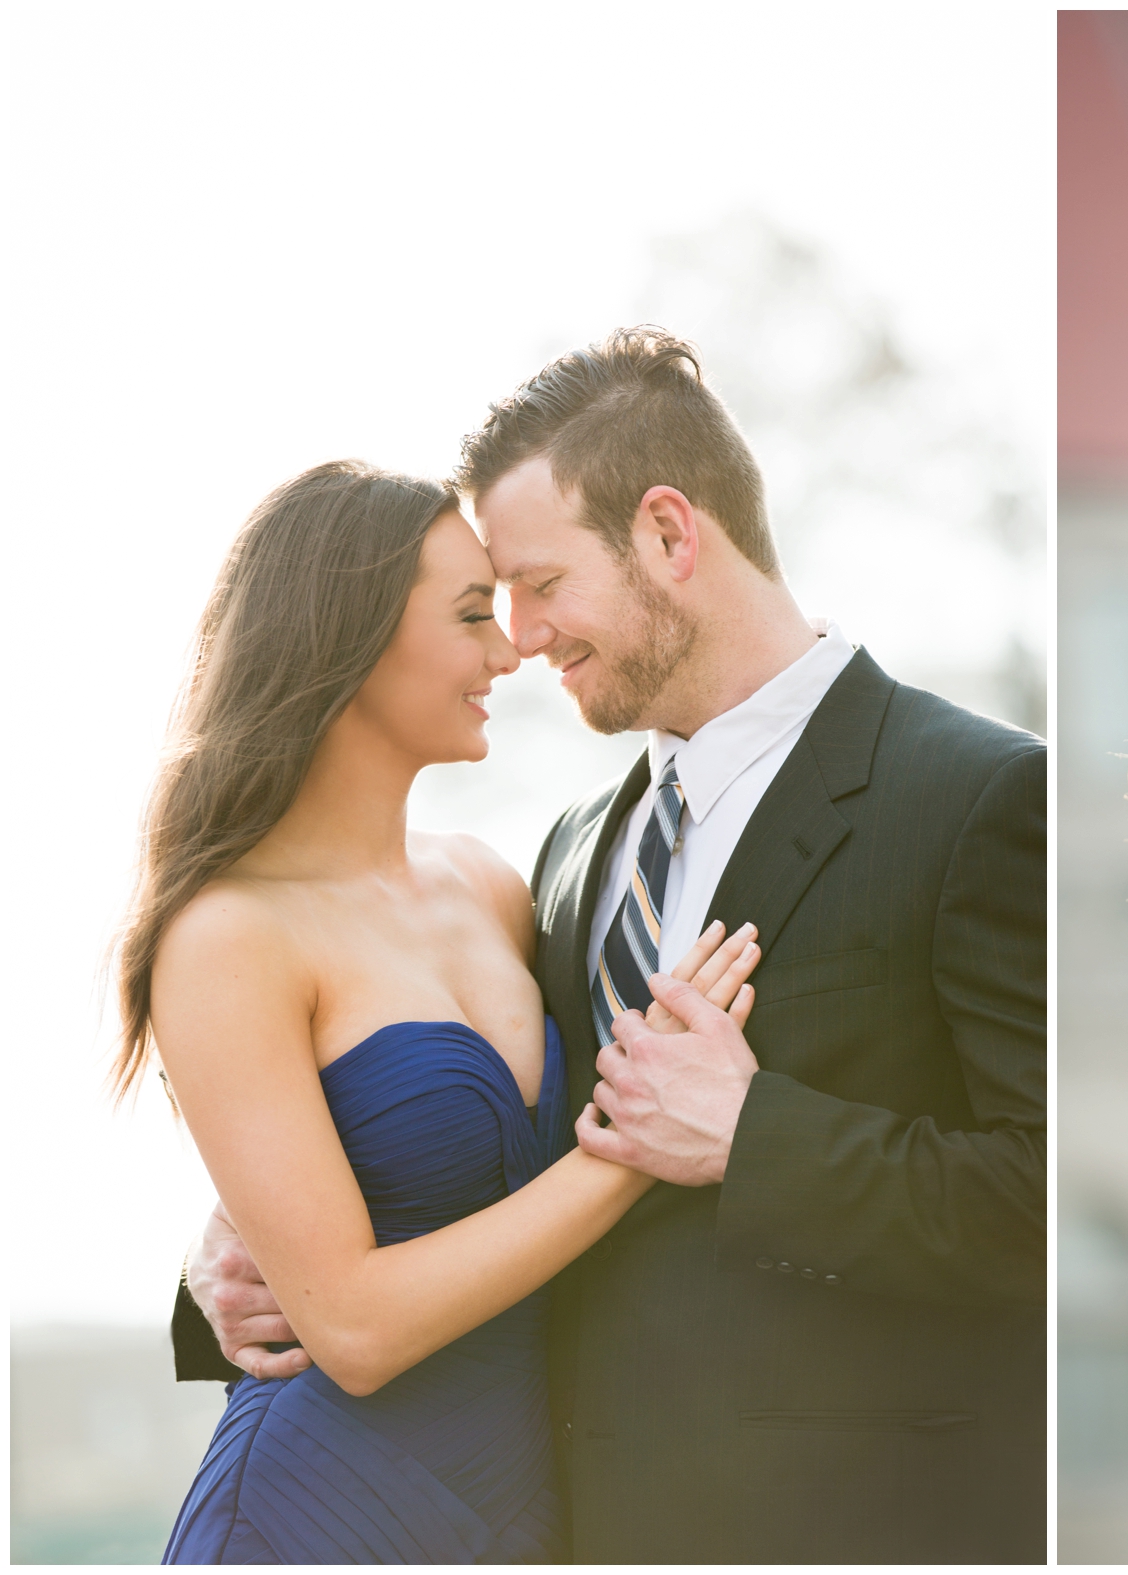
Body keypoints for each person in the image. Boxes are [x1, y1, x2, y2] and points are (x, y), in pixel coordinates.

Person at [177, 330, 1048, 1563]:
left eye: (535, 584)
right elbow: (473, 1144)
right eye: (490, 603)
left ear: (667, 536)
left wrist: (758, 1139)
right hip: (547, 1522)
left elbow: (1052, 1195)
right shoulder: (576, 854)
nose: (520, 638)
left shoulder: (980, 798)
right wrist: (243, 1248)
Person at [126, 462, 762, 1562]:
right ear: (349, 635)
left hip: (527, 1507)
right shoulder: (226, 937)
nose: (510, 652)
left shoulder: (493, 888)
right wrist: (639, 1142)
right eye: (473, 614)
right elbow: (357, 1329)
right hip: (322, 1508)